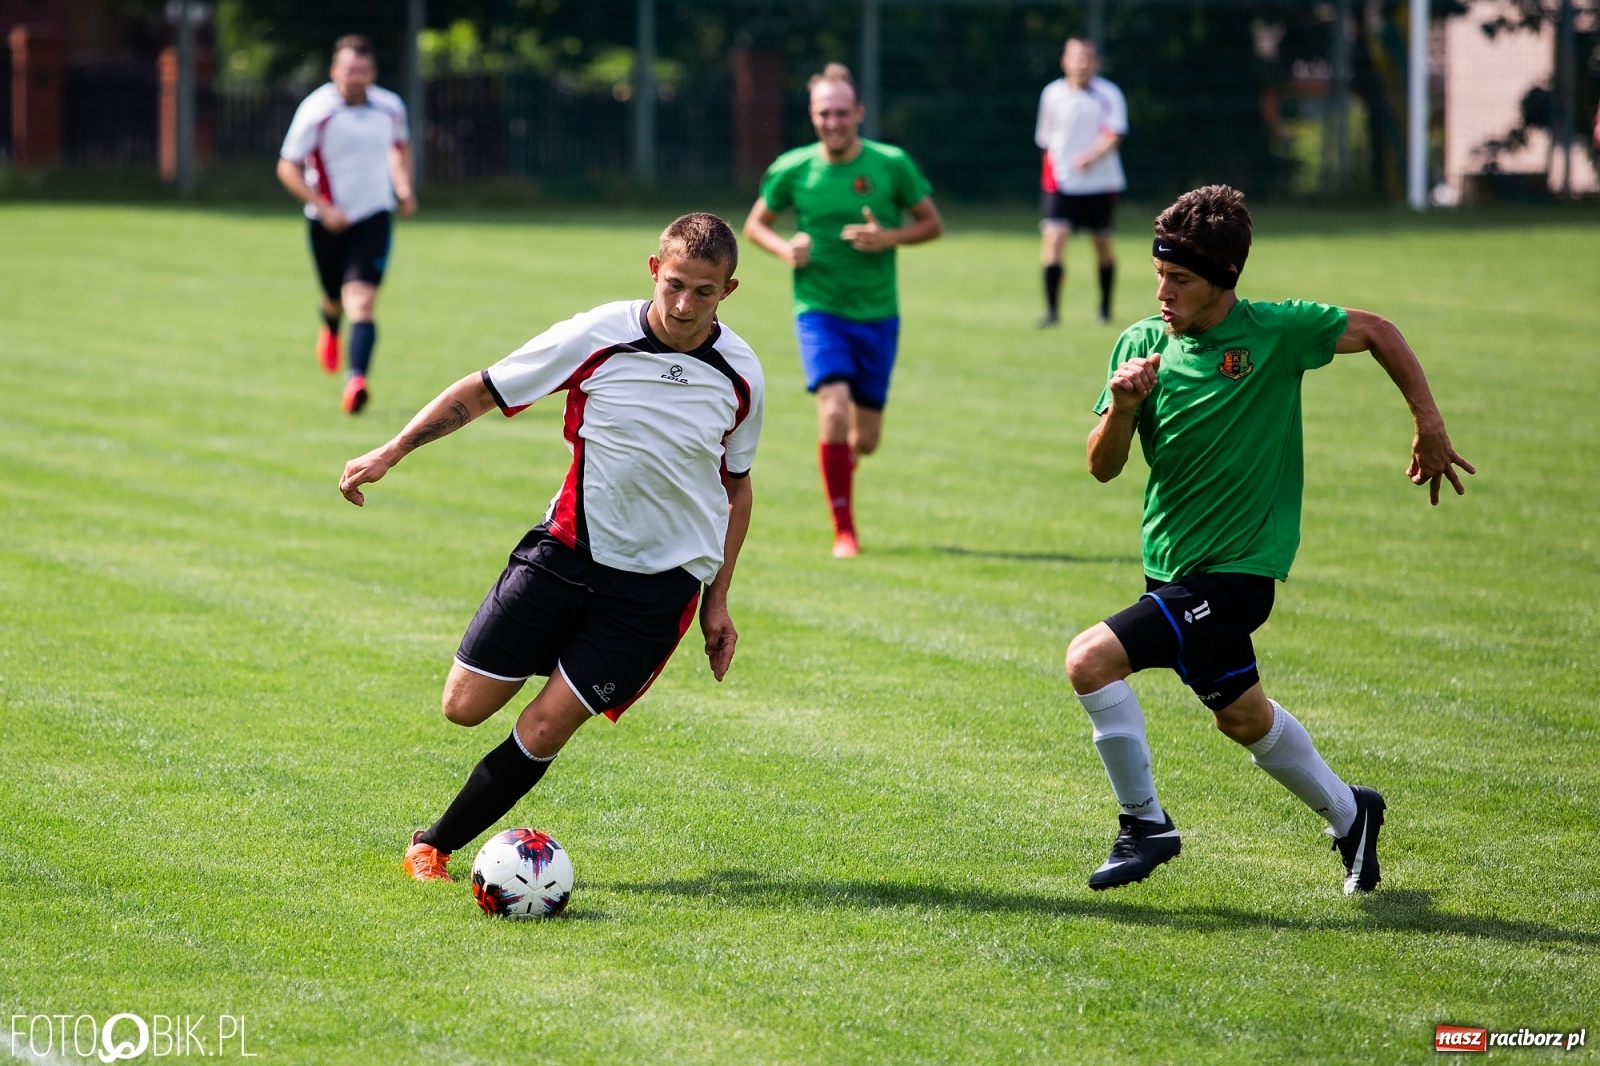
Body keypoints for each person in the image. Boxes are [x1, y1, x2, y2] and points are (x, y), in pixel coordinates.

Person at [1064, 185, 1474, 894]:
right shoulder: (1139, 345)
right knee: (1244, 718)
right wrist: (1124, 406)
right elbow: (1102, 468)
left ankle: (1145, 826)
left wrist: (1428, 421)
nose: (1163, 291)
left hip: (1237, 576)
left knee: (1090, 661)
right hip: (1172, 571)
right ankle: (1353, 815)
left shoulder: (1278, 332)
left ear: (1224, 282)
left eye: (1181, 280)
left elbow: (1377, 329)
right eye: (1158, 274)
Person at [336, 214, 764, 882]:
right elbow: (484, 390)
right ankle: (559, 654)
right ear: (653, 269)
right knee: (462, 707)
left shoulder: (740, 375)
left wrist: (719, 602)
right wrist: (392, 451)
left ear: (728, 290)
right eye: (674, 284)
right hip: (564, 556)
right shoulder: (598, 335)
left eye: (703, 292)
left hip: (655, 593)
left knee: (544, 727)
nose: (683, 305)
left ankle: (434, 845)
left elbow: (736, 490)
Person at [743, 63, 943, 558]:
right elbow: (755, 225)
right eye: (823, 113)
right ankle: (844, 530)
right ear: (812, 116)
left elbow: (931, 223)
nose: (833, 122)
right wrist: (786, 249)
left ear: (858, 112)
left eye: (841, 112)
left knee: (867, 439)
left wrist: (888, 237)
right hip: (819, 309)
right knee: (832, 410)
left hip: (878, 314)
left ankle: (844, 468)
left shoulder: (891, 163)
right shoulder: (794, 168)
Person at [278, 34, 416, 415]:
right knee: (334, 299)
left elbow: (400, 146)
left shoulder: (389, 106)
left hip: (374, 216)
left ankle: (357, 380)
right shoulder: (316, 111)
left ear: (373, 72)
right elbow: (287, 166)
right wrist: (322, 207)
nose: (357, 77)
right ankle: (330, 328)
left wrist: (403, 186)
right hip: (327, 222)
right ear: (334, 71)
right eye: (350, 70)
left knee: (362, 301)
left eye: (364, 70)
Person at [1034, 37, 1126, 327]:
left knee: (1101, 244)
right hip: (1062, 182)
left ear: (1095, 62)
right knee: (1054, 242)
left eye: (1087, 57)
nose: (1081, 63)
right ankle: (1051, 312)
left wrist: (1091, 156)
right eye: (1076, 57)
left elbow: (1115, 133)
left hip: (1100, 183)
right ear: (1065, 61)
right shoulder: (1052, 94)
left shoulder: (1109, 93)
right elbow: (1046, 140)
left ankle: (1105, 308)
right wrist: (1050, 178)